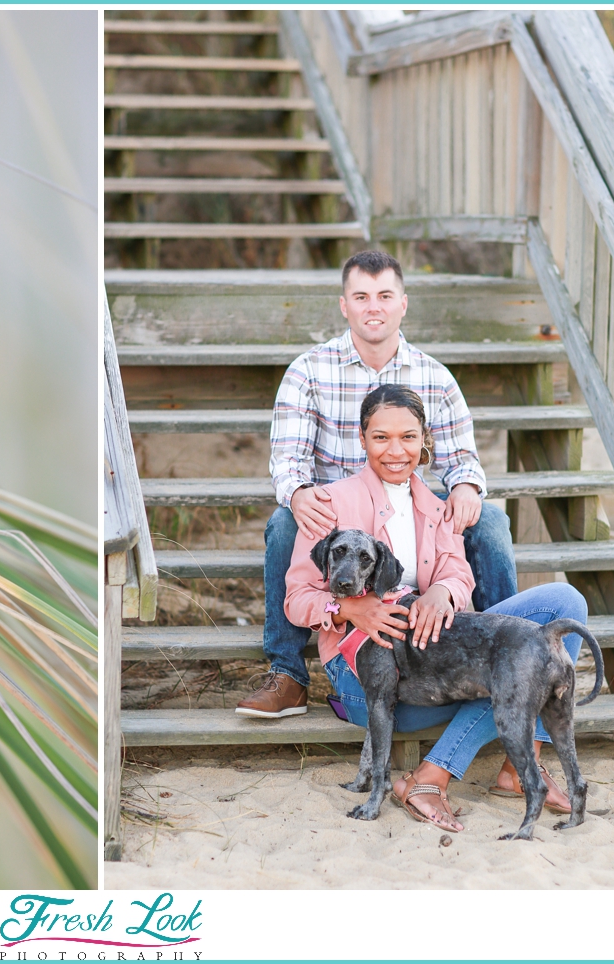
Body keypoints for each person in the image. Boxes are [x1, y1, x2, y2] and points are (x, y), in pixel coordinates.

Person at [283, 385, 586, 831]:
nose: (395, 450)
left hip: (433, 667)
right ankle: (437, 774)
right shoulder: (332, 503)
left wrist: (441, 593)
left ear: (425, 439)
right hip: (365, 681)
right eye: (381, 437)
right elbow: (296, 600)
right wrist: (351, 611)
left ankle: (513, 765)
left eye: (408, 437)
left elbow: (459, 575)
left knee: (565, 604)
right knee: (509, 670)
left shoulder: (437, 507)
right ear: (362, 438)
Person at [235, 250, 517, 720]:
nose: (373, 307)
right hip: (334, 516)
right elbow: (287, 459)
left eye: (384, 295)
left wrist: (466, 485)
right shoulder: (308, 371)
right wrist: (302, 493)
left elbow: (461, 457)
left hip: (406, 503)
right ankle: (288, 673)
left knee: (489, 520)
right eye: (361, 296)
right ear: (344, 305)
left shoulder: (433, 377)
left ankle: (507, 649)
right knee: (285, 521)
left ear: (402, 303)